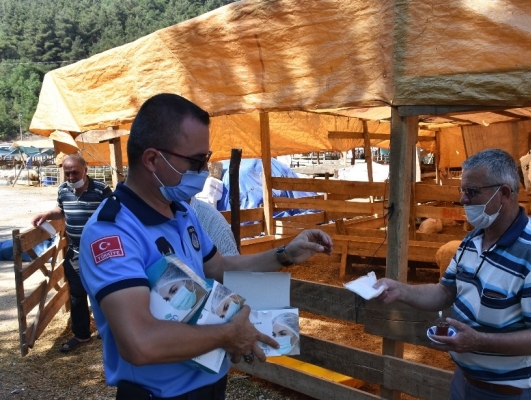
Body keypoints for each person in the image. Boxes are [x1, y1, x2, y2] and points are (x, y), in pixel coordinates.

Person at [79, 93, 333, 400]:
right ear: (152, 160)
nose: (203, 171)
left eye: (206, 159)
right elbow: (140, 343)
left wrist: (284, 255)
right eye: (196, 161)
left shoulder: (182, 213)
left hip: (210, 383)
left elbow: (219, 268)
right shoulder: (112, 233)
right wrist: (228, 334)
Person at [375, 148, 531, 400]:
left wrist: (479, 341)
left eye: (472, 191)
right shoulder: (473, 240)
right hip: (465, 382)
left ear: (504, 194)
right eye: (462, 190)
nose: (463, 199)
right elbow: (444, 291)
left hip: (509, 393)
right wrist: (400, 290)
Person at [31, 153, 112, 352]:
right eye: (67, 173)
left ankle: (107, 329)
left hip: (99, 253)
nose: (71, 177)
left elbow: (113, 215)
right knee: (77, 294)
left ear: (86, 170)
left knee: (104, 290)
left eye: (75, 172)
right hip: (75, 252)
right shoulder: (63, 190)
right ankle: (82, 334)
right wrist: (46, 214)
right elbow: (62, 210)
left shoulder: (101, 190)